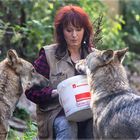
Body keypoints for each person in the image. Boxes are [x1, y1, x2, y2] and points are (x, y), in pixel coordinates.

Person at [25, 5, 94, 140]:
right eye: (69, 30)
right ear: (61, 32)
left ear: (85, 30)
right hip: (56, 115)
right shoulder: (48, 55)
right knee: (68, 124)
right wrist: (53, 93)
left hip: (88, 112)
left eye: (78, 30)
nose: (74, 35)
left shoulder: (94, 56)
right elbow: (30, 90)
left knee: (98, 124)